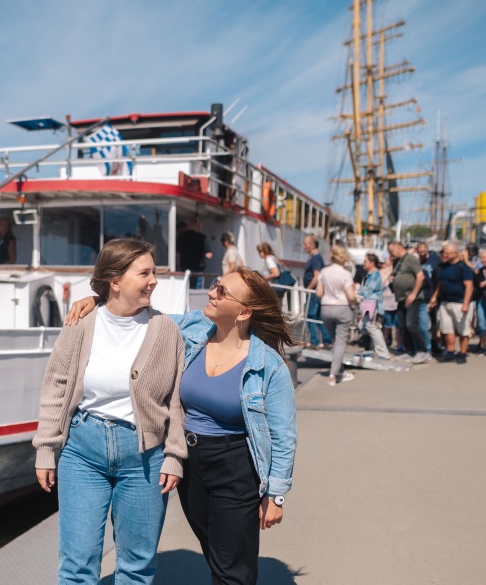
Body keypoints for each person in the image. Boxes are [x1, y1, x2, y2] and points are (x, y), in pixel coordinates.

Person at [65, 269, 297, 585]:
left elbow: (283, 434)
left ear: (243, 312)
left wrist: (275, 495)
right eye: (215, 284)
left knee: (233, 567)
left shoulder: (268, 366)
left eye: (222, 291)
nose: (213, 292)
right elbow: (140, 316)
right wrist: (98, 300)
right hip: (189, 461)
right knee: (215, 549)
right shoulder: (192, 327)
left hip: (235, 466)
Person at [33, 238, 186, 585]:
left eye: (154, 272)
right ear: (115, 281)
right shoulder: (81, 323)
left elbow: (177, 398)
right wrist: (45, 449)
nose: (154, 280)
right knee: (77, 565)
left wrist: (175, 454)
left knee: (136, 566)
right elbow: (55, 386)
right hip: (82, 452)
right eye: (144, 272)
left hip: (145, 457)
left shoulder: (166, 330)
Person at [316, 245, 358, 385]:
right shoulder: (345, 273)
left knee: (335, 341)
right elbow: (351, 296)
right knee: (340, 343)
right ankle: (333, 375)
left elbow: (319, 293)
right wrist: (357, 300)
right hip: (342, 309)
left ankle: (340, 370)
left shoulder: (324, 271)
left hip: (326, 309)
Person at [429, 243, 474, 364]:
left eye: (447, 253)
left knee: (463, 330)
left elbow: (469, 286)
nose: (445, 255)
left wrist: (466, 304)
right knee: (447, 329)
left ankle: (462, 353)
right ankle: (450, 351)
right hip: (445, 302)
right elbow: (441, 284)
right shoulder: (443, 267)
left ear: (455, 254)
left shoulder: (463, 267)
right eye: (444, 253)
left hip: (459, 303)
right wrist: (434, 297)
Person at [388, 241, 429, 363]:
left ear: (398, 247)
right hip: (401, 298)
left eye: (391, 251)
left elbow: (420, 276)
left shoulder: (410, 259)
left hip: (412, 297)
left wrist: (414, 293)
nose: (391, 254)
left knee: (411, 325)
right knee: (402, 326)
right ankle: (409, 351)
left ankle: (423, 351)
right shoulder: (398, 261)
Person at [358, 253, 391, 359]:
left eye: (365, 261)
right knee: (362, 326)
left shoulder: (375, 276)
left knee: (372, 327)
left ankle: (383, 353)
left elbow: (367, 291)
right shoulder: (370, 275)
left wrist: (357, 293)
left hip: (373, 306)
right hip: (368, 305)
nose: (363, 263)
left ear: (372, 263)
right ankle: (370, 349)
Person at [302, 235, 332, 349]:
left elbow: (317, 275)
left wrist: (309, 288)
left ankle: (314, 341)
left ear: (313, 245)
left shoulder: (315, 258)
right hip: (315, 291)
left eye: (306, 244)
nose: (303, 246)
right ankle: (327, 340)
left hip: (314, 292)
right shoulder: (314, 257)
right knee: (318, 317)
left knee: (311, 315)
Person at [415, 242, 440, 355]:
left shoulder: (434, 260)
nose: (422, 254)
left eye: (424, 252)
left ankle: (435, 343)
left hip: (433, 293)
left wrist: (435, 295)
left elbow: (439, 279)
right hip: (422, 295)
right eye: (420, 252)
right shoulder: (416, 262)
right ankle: (426, 344)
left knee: (434, 321)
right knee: (423, 323)